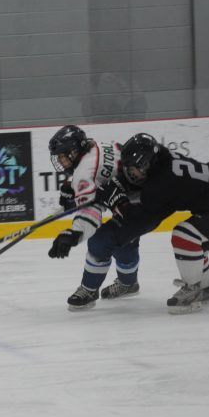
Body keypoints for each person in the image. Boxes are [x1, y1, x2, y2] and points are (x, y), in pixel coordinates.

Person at [98, 133, 209, 314]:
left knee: (184, 235)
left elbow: (139, 217)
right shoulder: (162, 159)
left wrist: (117, 201)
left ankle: (193, 289)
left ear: (146, 164)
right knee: (196, 242)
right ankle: (205, 287)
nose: (130, 173)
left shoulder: (162, 184)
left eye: (133, 168)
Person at [47, 125, 170, 311]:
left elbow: (91, 213)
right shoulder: (98, 146)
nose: (60, 161)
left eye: (62, 156)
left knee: (100, 241)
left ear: (74, 151)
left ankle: (89, 290)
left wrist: (74, 233)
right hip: (144, 196)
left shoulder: (83, 173)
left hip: (139, 204)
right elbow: (101, 177)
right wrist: (74, 189)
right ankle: (128, 283)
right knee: (125, 240)